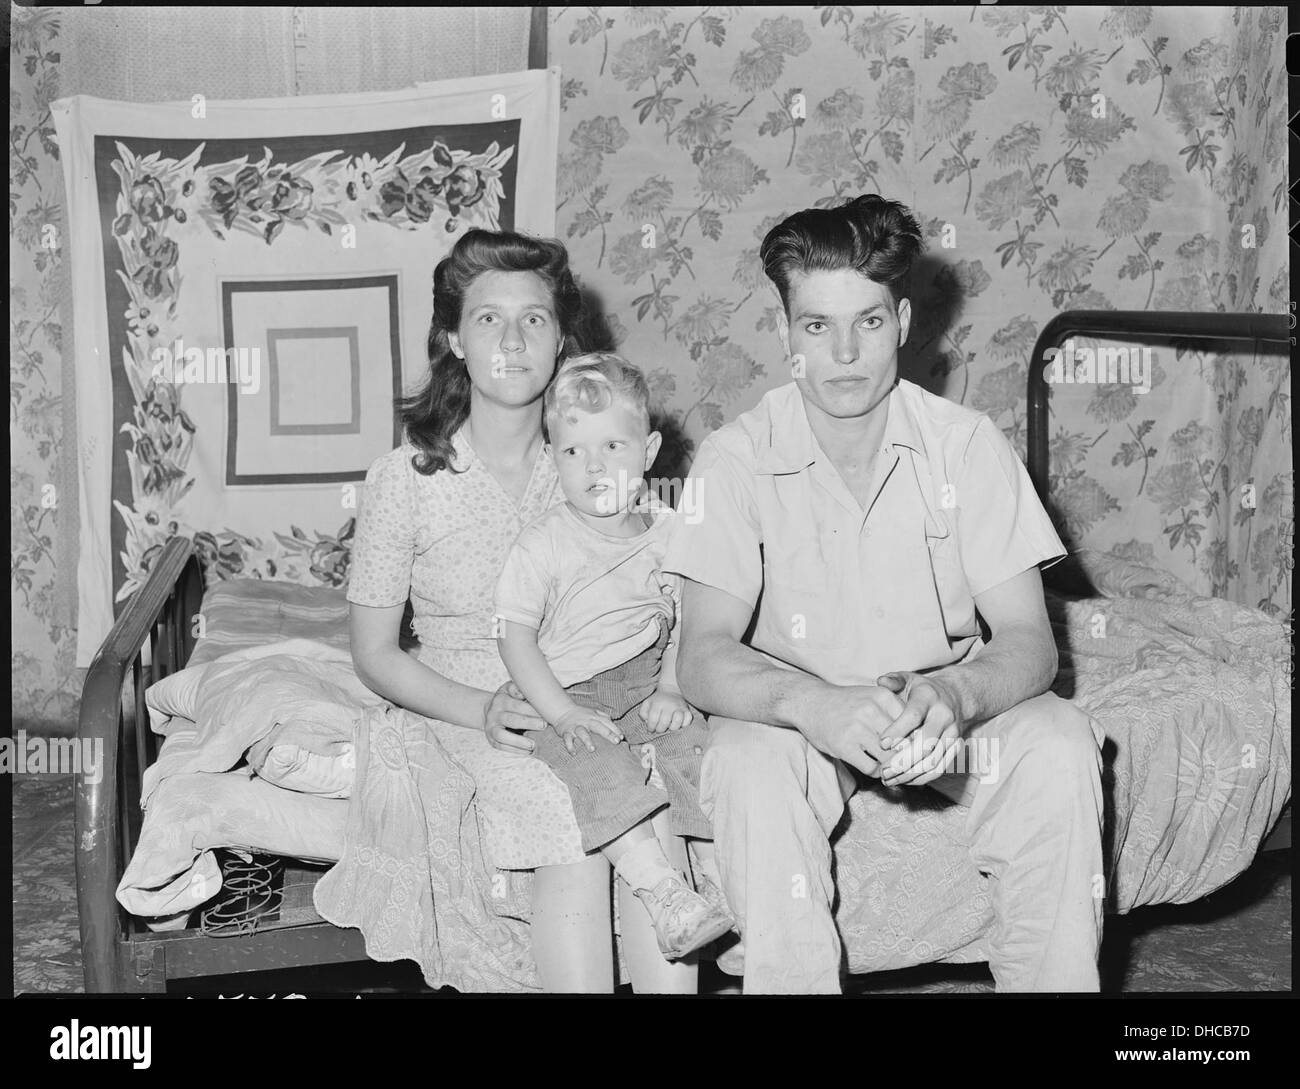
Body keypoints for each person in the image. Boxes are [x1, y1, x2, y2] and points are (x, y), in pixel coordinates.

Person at [662, 193, 1106, 993]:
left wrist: (956, 692)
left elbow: (1029, 641)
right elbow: (701, 657)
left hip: (944, 707)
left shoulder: (967, 447)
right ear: (784, 332)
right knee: (742, 757)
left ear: (902, 321)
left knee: (1061, 742)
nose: (841, 354)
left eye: (866, 323)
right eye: (815, 326)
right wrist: (813, 705)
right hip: (799, 713)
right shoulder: (733, 460)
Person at [348, 228, 697, 993]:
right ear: (452, 339)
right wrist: (482, 710)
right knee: (564, 815)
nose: (512, 339)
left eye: (534, 319)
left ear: (561, 336)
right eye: (487, 319)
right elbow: (374, 652)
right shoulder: (405, 477)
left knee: (655, 795)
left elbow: (662, 578)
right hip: (468, 700)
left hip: (600, 688)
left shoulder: (589, 455)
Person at [494, 352, 732, 961]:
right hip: (570, 692)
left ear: (649, 452)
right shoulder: (543, 543)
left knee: (698, 751)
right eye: (573, 451)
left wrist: (675, 688)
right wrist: (561, 714)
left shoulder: (670, 530)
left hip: (650, 682)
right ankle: (662, 893)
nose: (593, 467)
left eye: (612, 448)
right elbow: (513, 637)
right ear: (551, 458)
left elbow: (686, 617)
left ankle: (717, 880)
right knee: (602, 770)